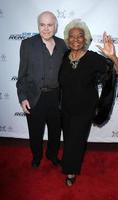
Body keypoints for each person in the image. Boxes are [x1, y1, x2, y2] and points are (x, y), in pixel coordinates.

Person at [59, 19, 118, 186]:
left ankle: (71, 171)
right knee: (68, 137)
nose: (75, 39)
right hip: (65, 107)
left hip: (85, 108)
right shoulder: (64, 56)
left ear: (85, 39)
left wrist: (112, 56)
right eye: (71, 36)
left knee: (77, 139)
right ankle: (69, 161)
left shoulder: (93, 58)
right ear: (67, 39)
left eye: (79, 36)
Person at [16, 11, 67, 168]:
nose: (46, 29)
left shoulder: (63, 45)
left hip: (56, 97)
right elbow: (22, 74)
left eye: (50, 25)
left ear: (56, 26)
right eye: (42, 25)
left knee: (55, 132)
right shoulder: (27, 44)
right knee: (35, 132)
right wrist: (23, 97)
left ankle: (52, 155)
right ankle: (36, 156)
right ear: (38, 25)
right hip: (34, 97)